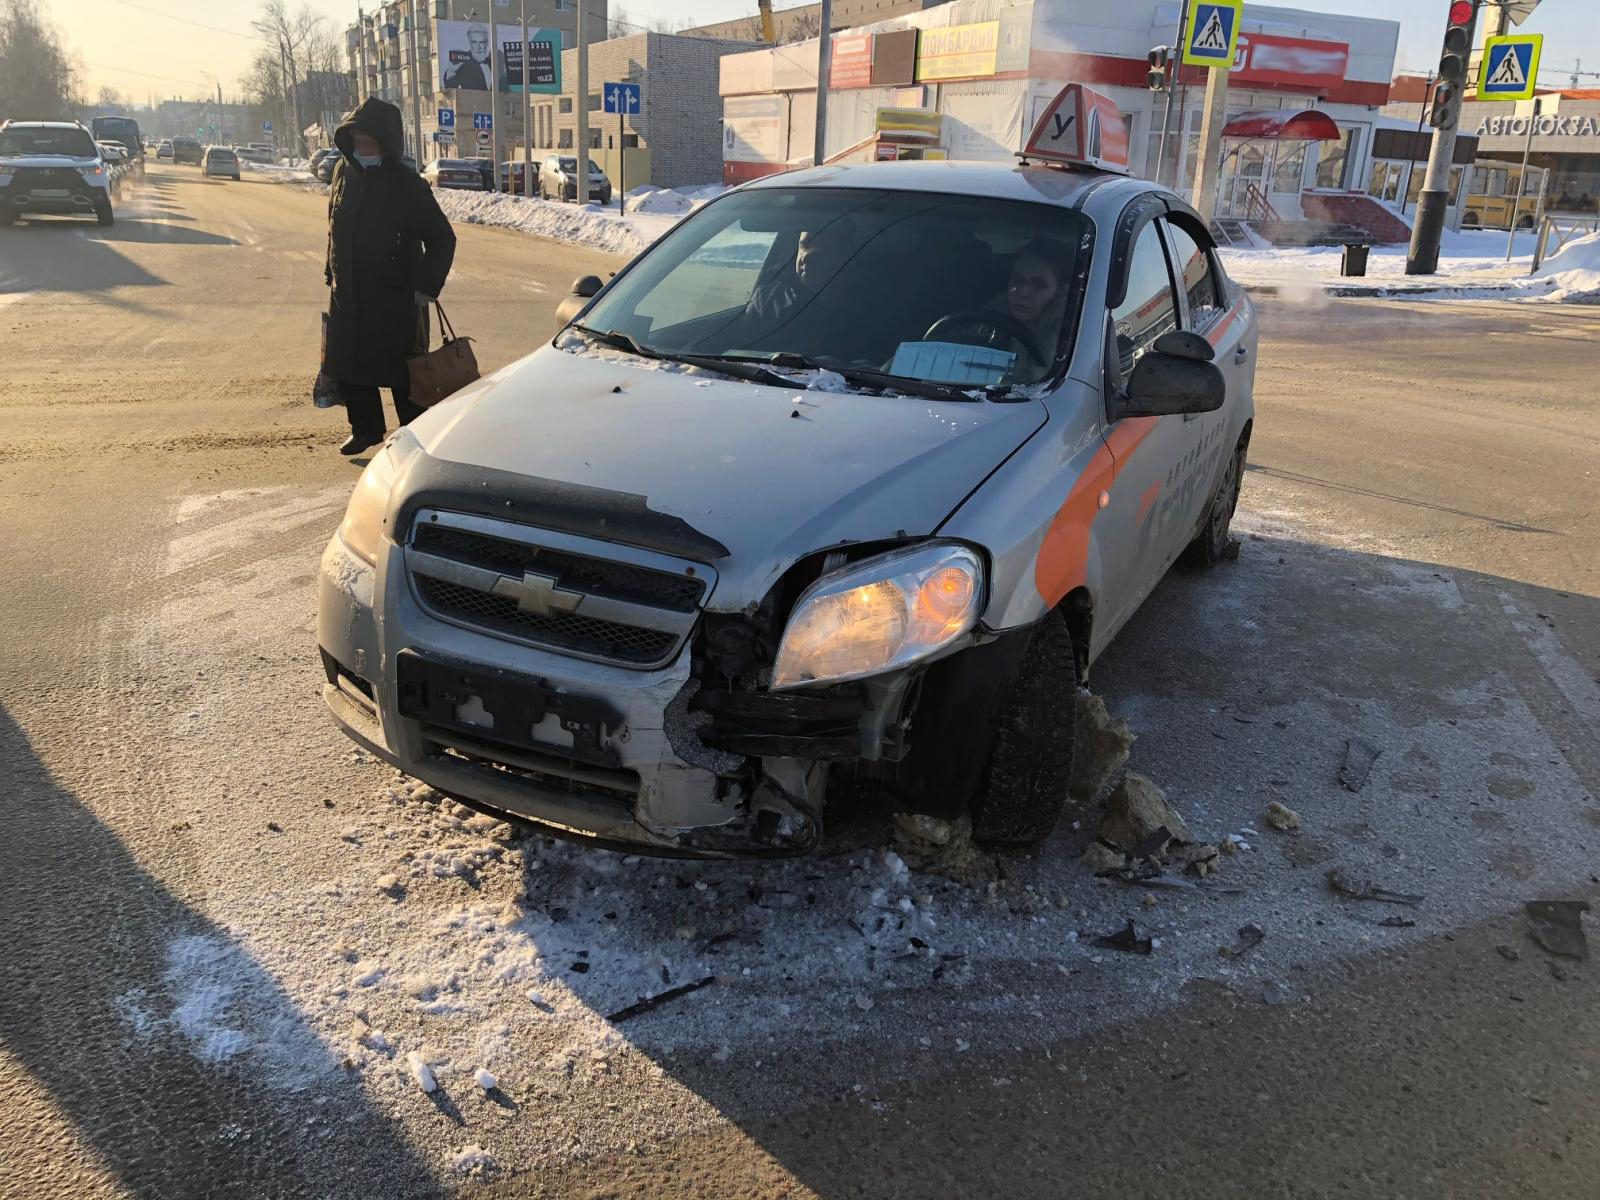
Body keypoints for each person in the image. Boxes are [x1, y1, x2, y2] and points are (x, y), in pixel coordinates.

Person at [323, 97, 456, 456]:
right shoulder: (343, 174)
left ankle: (415, 436)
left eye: (369, 142)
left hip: (396, 298)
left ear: (387, 144)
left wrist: (425, 287)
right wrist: (330, 269)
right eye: (356, 141)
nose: (361, 148)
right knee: (350, 365)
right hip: (348, 293)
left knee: (405, 375)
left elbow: (443, 238)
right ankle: (364, 428)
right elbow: (335, 225)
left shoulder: (407, 186)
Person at [442, 25, 491, 90]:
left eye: (482, 42)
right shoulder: (461, 65)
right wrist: (451, 71)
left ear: (487, 42)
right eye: (474, 42)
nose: (478, 47)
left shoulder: (494, 64)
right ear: (469, 42)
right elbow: (450, 90)